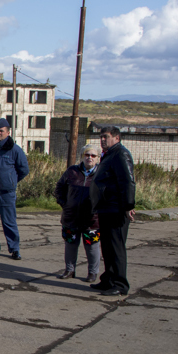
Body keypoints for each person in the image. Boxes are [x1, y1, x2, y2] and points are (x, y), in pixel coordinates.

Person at [90, 126, 136, 297]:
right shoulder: (110, 154)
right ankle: (108, 280)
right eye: (101, 137)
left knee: (116, 247)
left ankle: (119, 284)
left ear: (116, 138)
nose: (102, 140)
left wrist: (128, 205)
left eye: (106, 137)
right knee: (107, 247)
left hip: (116, 208)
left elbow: (128, 181)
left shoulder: (120, 154)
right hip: (106, 207)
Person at [55, 143, 102, 283]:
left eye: (93, 155)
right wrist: (65, 204)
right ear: (82, 157)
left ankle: (93, 273)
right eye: (87, 155)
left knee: (92, 247)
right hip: (71, 217)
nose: (89, 158)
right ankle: (69, 270)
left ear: (98, 158)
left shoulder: (101, 174)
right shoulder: (72, 172)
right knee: (70, 244)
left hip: (92, 219)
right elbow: (59, 188)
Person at [0, 118, 29, 260]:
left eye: (1, 131)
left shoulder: (14, 150)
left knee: (9, 222)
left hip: (7, 192)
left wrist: (12, 181)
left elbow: (24, 169)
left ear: (8, 132)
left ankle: (14, 249)